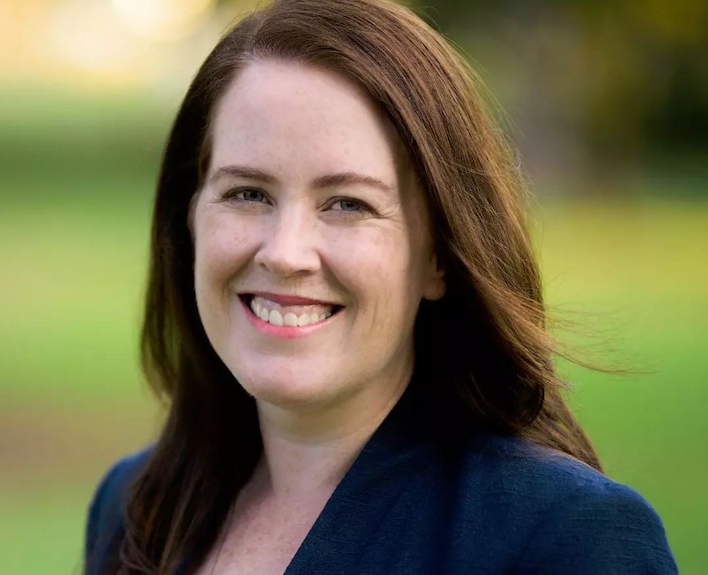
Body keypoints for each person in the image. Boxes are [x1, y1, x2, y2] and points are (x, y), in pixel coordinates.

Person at [84, 0, 678, 573]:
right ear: (189, 218)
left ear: (439, 257)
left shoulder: (563, 538)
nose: (286, 252)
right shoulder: (134, 508)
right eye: (248, 193)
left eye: (348, 204)